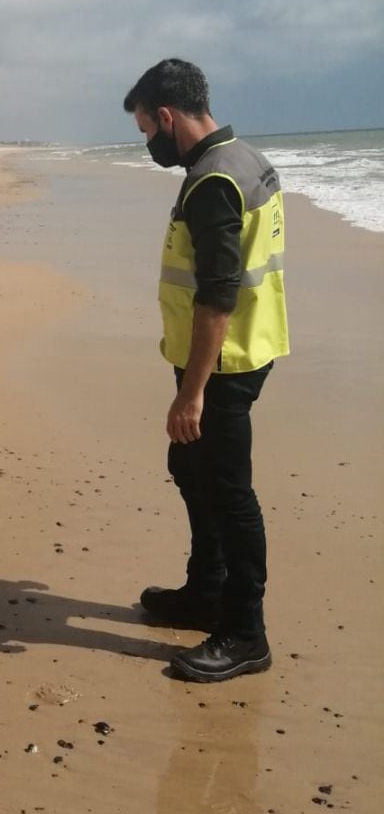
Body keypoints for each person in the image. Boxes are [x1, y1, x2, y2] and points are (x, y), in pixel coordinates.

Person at [123, 58, 289, 682]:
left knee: (229, 489)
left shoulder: (213, 181)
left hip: (224, 362)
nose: (148, 143)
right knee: (188, 464)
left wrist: (191, 392)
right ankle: (206, 590)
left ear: (167, 118)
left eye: (145, 130)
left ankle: (245, 632)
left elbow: (218, 293)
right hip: (246, 348)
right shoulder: (244, 159)